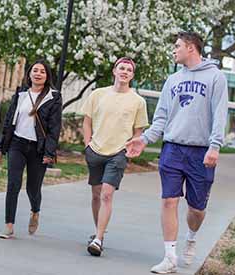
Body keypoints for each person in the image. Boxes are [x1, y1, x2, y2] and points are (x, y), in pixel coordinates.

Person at [126, 32, 228, 273]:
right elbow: (161, 117)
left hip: (201, 152)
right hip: (172, 149)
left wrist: (215, 146)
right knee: (169, 200)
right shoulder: (172, 80)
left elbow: (220, 114)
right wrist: (145, 138)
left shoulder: (216, 77)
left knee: (196, 209)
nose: (174, 50)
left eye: (177, 46)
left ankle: (191, 237)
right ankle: (170, 257)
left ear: (191, 48)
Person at [82, 57, 149, 256]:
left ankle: (98, 239)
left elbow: (139, 130)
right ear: (114, 70)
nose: (125, 72)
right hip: (95, 150)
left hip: (118, 153)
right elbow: (87, 121)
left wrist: (130, 150)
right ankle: (97, 232)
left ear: (132, 75)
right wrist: (87, 145)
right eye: (122, 68)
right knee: (96, 195)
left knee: (107, 194)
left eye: (129, 69)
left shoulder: (138, 101)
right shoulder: (98, 94)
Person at [0, 59, 62, 239]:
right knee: (13, 184)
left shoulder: (53, 97)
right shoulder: (21, 94)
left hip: (38, 148)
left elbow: (54, 128)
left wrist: (49, 152)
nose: (38, 73)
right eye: (35, 70)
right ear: (29, 73)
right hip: (17, 144)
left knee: (33, 188)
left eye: (42, 71)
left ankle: (35, 211)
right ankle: (8, 225)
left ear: (47, 76)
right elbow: (9, 120)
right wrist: (2, 147)